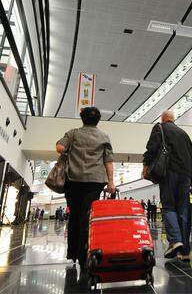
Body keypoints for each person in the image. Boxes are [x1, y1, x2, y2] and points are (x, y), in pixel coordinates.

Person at [57, 107, 115, 268]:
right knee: (87, 218)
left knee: (74, 216)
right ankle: (84, 256)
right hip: (94, 182)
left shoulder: (73, 133)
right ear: (98, 119)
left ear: (82, 118)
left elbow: (59, 147)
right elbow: (108, 161)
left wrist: (68, 151)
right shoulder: (104, 136)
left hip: (73, 180)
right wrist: (111, 182)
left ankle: (72, 253)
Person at [143, 110, 192, 261]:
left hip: (169, 173)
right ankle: (185, 252)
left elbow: (151, 149)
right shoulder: (184, 133)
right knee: (183, 211)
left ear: (163, 118)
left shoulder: (159, 128)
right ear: (173, 119)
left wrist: (145, 167)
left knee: (168, 206)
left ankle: (175, 241)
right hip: (185, 176)